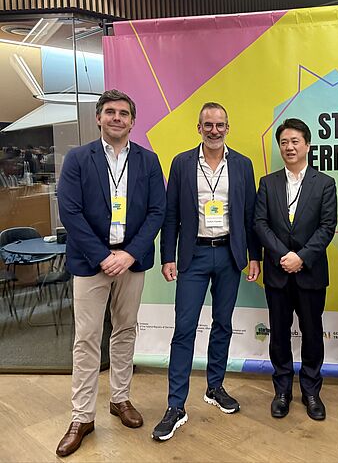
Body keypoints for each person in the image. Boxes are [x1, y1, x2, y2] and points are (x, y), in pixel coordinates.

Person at [56, 89, 166, 457]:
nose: (117, 118)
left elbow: (157, 211)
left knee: (125, 331)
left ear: (133, 121)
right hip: (91, 263)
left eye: (123, 113)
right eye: (110, 112)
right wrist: (104, 256)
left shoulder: (149, 161)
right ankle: (82, 417)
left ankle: (120, 399)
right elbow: (70, 212)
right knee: (87, 339)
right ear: (99, 118)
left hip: (131, 262)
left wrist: (129, 254)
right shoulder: (77, 159)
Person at [152, 102, 261, 441]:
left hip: (229, 254)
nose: (215, 130)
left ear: (228, 127)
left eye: (220, 124)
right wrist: (167, 256)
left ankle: (215, 387)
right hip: (193, 255)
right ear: (198, 128)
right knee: (184, 329)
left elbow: (250, 216)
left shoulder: (242, 164)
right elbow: (171, 214)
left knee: (223, 324)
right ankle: (176, 405)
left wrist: (254, 256)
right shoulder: (182, 163)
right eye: (208, 125)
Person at [254, 118, 337, 421]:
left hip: (310, 272)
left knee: (312, 334)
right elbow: (260, 223)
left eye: (295, 141)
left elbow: (327, 226)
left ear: (307, 145)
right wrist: (283, 255)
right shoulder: (268, 182)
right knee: (278, 334)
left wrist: (301, 257)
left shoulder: (324, 183)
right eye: (284, 142)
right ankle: (282, 391)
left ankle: (311, 391)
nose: (289, 147)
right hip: (277, 273)